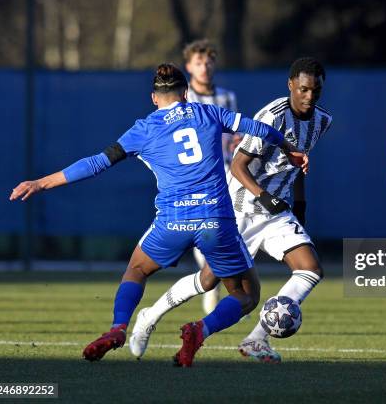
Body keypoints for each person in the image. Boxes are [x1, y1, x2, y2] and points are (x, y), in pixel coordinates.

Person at [9, 63, 306, 367]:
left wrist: (40, 182)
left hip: (172, 222)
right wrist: (288, 147)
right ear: (186, 93)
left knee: (137, 269)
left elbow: (97, 163)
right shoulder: (209, 113)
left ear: (154, 98)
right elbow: (259, 128)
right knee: (246, 296)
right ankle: (199, 330)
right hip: (214, 221)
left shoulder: (144, 128)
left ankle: (118, 328)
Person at [129, 57, 332, 364]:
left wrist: (299, 205)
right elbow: (238, 166)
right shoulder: (272, 116)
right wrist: (263, 196)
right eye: (303, 89)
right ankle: (150, 316)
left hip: (276, 210)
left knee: (310, 269)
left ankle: (256, 339)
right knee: (209, 280)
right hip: (241, 206)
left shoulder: (322, 121)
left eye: (315, 91)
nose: (308, 96)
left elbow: (297, 161)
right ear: (291, 85)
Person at [183, 39, 241, 314]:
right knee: (199, 232)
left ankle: (217, 279)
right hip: (194, 176)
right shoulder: (184, 98)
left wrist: (237, 141)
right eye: (198, 62)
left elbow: (231, 136)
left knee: (224, 230)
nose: (204, 67)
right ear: (188, 67)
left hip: (225, 175)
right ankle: (210, 277)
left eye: (208, 61)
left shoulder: (227, 97)